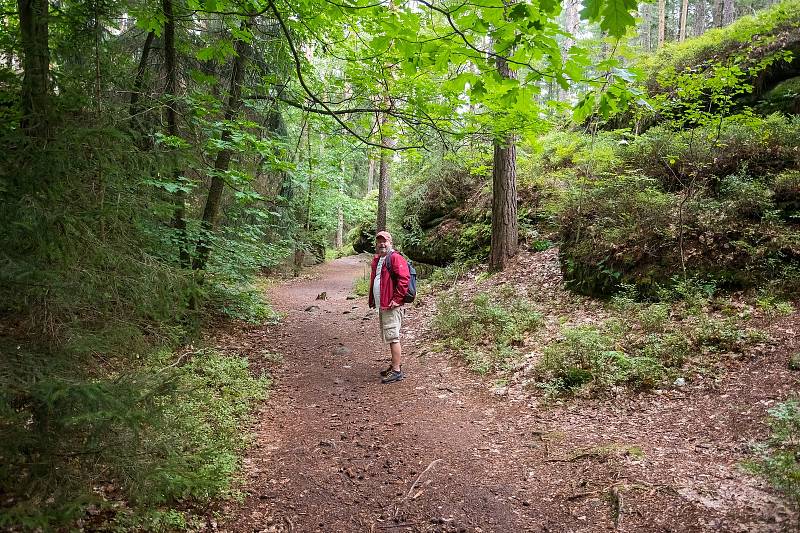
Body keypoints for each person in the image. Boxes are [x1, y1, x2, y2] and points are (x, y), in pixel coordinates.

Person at [368, 231, 411, 384]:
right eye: (379, 241)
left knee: (393, 336)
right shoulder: (380, 259)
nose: (382, 244)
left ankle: (397, 371)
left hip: (392, 305)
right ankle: (394, 364)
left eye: (384, 241)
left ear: (390, 242)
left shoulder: (394, 258)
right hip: (384, 305)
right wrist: (373, 300)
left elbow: (404, 279)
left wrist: (397, 299)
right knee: (389, 335)